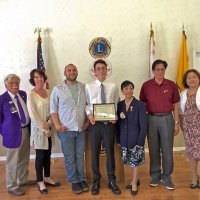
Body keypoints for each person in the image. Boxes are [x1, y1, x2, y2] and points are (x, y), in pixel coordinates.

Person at [139, 59, 180, 190]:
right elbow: (142, 105)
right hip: (151, 119)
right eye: (157, 69)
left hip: (167, 118)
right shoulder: (146, 85)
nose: (160, 72)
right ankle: (155, 175)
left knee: (167, 149)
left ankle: (167, 177)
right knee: (153, 148)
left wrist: (176, 122)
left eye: (162, 69)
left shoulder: (171, 85)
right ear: (153, 71)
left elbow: (176, 105)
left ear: (164, 70)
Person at [50, 64, 89, 194]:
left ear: (77, 72)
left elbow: (89, 106)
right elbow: (53, 110)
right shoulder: (57, 89)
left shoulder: (84, 87)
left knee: (79, 156)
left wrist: (87, 123)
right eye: (69, 70)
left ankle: (82, 179)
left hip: (81, 129)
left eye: (74, 70)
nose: (72, 72)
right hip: (66, 130)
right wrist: (57, 126)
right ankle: (74, 181)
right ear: (65, 72)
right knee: (70, 158)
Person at [85, 59, 121, 195]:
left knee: (110, 153)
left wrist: (115, 115)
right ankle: (96, 181)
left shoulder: (113, 86)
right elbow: (87, 104)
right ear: (94, 71)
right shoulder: (88, 86)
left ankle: (112, 180)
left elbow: (116, 103)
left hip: (109, 125)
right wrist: (89, 115)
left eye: (103, 68)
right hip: (95, 125)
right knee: (94, 153)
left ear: (107, 71)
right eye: (98, 69)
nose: (101, 71)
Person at [0, 74, 36, 196]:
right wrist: (5, 133)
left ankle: (23, 180)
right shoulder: (2, 99)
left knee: (24, 157)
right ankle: (12, 185)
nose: (15, 85)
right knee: (12, 161)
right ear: (6, 85)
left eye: (17, 83)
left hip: (26, 131)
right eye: (12, 83)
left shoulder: (23, 94)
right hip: (12, 134)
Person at [27, 69, 60, 194]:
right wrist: (44, 128)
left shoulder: (49, 92)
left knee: (48, 155)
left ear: (44, 78)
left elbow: (54, 109)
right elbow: (33, 114)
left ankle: (47, 177)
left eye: (40, 77)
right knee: (40, 156)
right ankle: (40, 181)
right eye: (36, 77)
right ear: (33, 80)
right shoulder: (31, 94)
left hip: (49, 127)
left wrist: (50, 123)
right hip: (39, 130)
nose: (39, 79)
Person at [116, 80, 147, 196]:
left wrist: (140, 141)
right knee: (129, 161)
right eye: (126, 89)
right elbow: (118, 124)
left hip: (136, 139)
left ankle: (134, 183)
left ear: (133, 90)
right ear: (122, 91)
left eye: (130, 88)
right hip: (124, 139)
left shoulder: (140, 105)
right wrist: (118, 139)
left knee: (135, 162)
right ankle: (136, 179)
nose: (128, 91)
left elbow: (143, 125)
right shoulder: (120, 105)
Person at [179, 69, 200, 189]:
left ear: (199, 78)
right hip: (188, 128)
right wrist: (182, 126)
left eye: (194, 77)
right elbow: (181, 113)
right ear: (185, 81)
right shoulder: (183, 94)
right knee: (191, 153)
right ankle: (194, 178)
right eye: (189, 78)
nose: (191, 79)